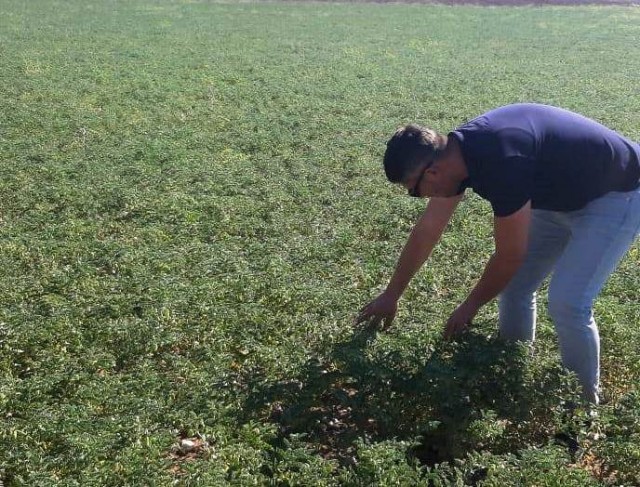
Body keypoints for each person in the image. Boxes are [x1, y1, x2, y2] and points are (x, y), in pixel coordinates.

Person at [356, 103, 640, 404]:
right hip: (559, 197)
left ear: (433, 171)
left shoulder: (503, 161)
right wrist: (391, 294)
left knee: (568, 301)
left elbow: (509, 256)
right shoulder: (456, 160)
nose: (420, 197)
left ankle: (582, 411)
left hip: (618, 193)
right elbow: (428, 229)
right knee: (515, 287)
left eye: (415, 190)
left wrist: (470, 306)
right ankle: (511, 372)